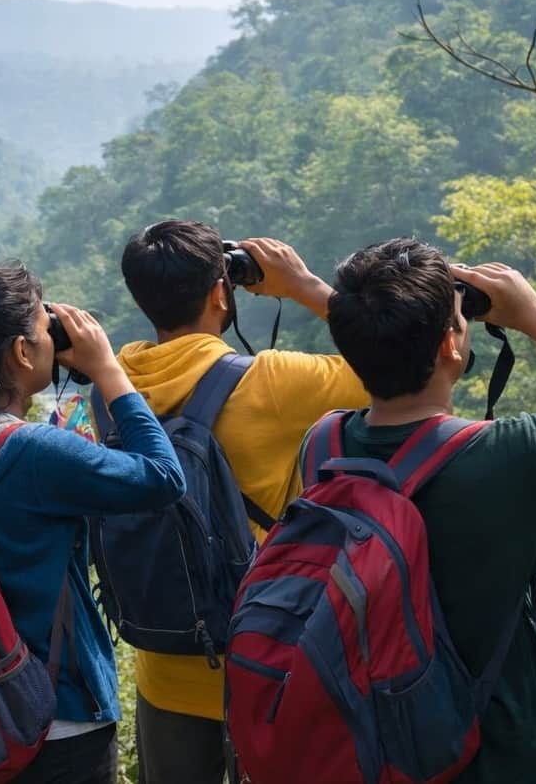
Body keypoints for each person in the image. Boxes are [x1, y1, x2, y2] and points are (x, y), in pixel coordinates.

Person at [323, 238, 536, 782]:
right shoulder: (513, 455)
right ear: (450, 342)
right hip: (499, 756)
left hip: (375, 746)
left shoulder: (323, 446)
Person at [0, 264, 188, 783]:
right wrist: (109, 370)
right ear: (22, 353)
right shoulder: (33, 451)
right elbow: (163, 478)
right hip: (54, 718)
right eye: (45, 331)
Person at [114, 219, 368, 783]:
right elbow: (392, 369)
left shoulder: (115, 382)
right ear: (220, 291)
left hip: (163, 653)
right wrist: (302, 285)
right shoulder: (271, 381)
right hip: (264, 660)